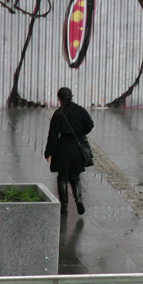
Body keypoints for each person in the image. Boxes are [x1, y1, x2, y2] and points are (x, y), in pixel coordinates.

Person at [44, 87, 93, 215]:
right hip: (77, 148)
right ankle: (79, 201)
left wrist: (48, 152)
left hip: (63, 148)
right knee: (75, 176)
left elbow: (53, 135)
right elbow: (90, 124)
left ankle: (64, 206)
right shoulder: (80, 110)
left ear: (59, 98)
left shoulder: (58, 113)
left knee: (62, 178)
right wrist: (80, 133)